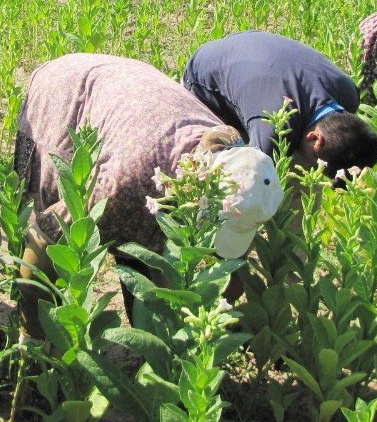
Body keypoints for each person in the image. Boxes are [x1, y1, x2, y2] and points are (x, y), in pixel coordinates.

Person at [14, 53, 283, 335]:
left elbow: (224, 255)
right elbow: (48, 234)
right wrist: (31, 330)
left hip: (131, 92)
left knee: (142, 234)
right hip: (68, 91)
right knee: (76, 225)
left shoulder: (232, 149)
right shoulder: (123, 185)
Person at [183, 31, 377, 181]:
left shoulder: (348, 94)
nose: (315, 172)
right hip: (205, 72)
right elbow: (248, 181)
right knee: (257, 171)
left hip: (254, 48)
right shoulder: (272, 129)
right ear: (315, 138)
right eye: (317, 166)